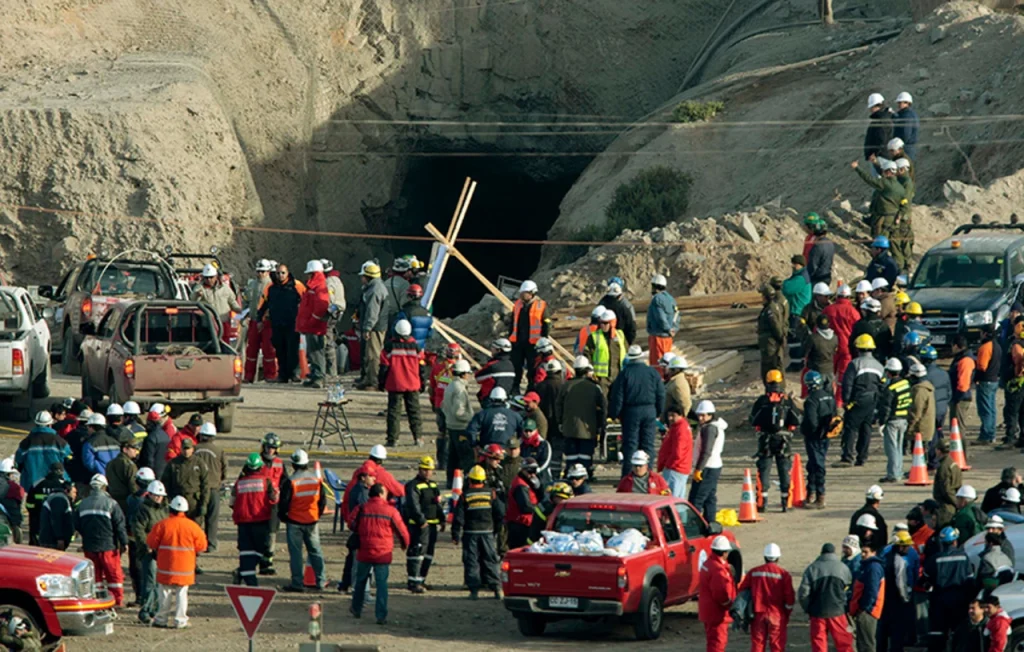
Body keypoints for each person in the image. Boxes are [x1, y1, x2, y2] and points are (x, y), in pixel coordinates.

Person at [348, 483, 409, 625]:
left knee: (361, 581)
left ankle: (356, 609)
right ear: (381, 494)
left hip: (364, 551)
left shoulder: (361, 508)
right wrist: (404, 543)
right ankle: (380, 615)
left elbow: (351, 523)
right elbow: (401, 530)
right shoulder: (390, 511)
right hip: (383, 553)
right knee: (382, 584)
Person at [147, 495, 207, 629]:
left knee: (164, 593)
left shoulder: (162, 525)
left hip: (166, 567)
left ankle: (161, 619)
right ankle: (180, 621)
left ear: (170, 509)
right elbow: (202, 546)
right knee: (182, 594)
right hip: (185, 568)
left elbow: (151, 542)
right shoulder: (193, 527)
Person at [609, 345, 665, 477]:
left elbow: (617, 396)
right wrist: (658, 412)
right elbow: (661, 394)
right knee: (648, 445)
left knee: (630, 446)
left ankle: (628, 477)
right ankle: (648, 476)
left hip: (631, 413)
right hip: (649, 410)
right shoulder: (652, 373)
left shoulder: (624, 374)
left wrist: (614, 414)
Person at [73, 474, 128, 606]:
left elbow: (76, 524)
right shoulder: (111, 504)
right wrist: (124, 542)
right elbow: (120, 525)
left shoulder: (82, 504)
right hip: (108, 546)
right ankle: (116, 600)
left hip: (90, 546)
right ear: (104, 487)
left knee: (94, 575)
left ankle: (96, 600)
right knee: (113, 575)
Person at [749, 370, 799, 511]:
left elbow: (753, 420)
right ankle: (785, 502)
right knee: (784, 471)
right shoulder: (788, 402)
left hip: (765, 441)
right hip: (783, 440)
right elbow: (795, 421)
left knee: (764, 470)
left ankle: (761, 502)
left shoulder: (761, 401)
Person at [452, 465, 504, 600]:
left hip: (470, 533)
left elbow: (458, 518)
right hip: (487, 532)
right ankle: (496, 589)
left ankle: (474, 591)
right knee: (490, 560)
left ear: (469, 480)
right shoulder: (491, 493)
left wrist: (455, 535)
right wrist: (496, 530)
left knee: (472, 561)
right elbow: (500, 513)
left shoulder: (465, 496)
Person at [278, 449, 327, 592]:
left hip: (294, 522)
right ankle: (321, 581)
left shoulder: (291, 481)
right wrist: (316, 515)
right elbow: (322, 501)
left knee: (296, 554)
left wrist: (284, 517)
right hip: (312, 521)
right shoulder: (316, 480)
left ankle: (297, 583)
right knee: (316, 551)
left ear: (293, 464)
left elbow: (284, 503)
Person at [835, 334, 884, 467]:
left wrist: (845, 400)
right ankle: (862, 457)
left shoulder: (855, 364)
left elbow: (847, 384)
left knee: (850, 428)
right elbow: (882, 385)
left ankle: (847, 457)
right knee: (866, 428)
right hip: (872, 400)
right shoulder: (879, 366)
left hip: (857, 400)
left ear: (858, 348)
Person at [923, 526, 975, 652]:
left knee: (938, 632)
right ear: (955, 541)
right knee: (959, 631)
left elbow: (926, 579)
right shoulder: (964, 558)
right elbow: (970, 580)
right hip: (959, 599)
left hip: (939, 600)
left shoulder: (935, 559)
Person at [231, 453, 279, 586]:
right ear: (259, 467)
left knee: (246, 552)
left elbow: (232, 502)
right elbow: (274, 499)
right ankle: (251, 582)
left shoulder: (239, 482)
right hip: (260, 521)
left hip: (243, 522)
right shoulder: (266, 480)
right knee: (260, 551)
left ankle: (242, 572)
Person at [738, 543, 794, 652]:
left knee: (758, 644)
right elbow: (789, 598)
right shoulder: (784, 574)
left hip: (758, 613)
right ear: (778, 558)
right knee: (777, 645)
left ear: (764, 557)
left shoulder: (754, 572)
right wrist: (786, 613)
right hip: (777, 614)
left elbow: (742, 591)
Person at [556, 357, 607, 478]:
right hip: (588, 429)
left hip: (569, 427)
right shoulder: (594, 387)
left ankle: (570, 474)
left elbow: (558, 405)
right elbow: (603, 408)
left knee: (571, 455)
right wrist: (601, 425)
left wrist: (560, 422)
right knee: (585, 454)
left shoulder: (566, 386)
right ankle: (585, 474)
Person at [799, 542, 854, 652]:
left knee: (819, 645)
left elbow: (803, 593)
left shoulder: (812, 568)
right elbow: (849, 589)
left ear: (822, 553)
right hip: (838, 612)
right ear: (833, 553)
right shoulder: (843, 567)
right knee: (844, 644)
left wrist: (808, 608)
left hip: (817, 613)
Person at [380, 319, 425, 446]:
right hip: (412, 384)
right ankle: (418, 437)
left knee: (394, 412)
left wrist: (381, 383)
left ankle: (392, 439)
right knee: (414, 411)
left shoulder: (389, 347)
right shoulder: (416, 347)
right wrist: (422, 383)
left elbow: (384, 367)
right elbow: (422, 367)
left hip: (395, 384)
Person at [401, 456, 441, 594]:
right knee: (417, 553)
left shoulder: (434, 485)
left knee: (429, 554)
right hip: (419, 527)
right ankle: (413, 582)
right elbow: (413, 505)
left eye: (430, 470)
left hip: (432, 525)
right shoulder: (413, 485)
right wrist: (421, 520)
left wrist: (441, 518)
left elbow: (437, 504)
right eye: (425, 470)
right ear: (420, 469)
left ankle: (421, 580)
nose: (428, 473)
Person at [131, 479, 168, 624]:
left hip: (161, 551)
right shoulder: (143, 509)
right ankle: (145, 611)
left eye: (160, 495)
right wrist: (147, 545)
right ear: (150, 494)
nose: (158, 498)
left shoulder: (164, 510)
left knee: (159, 583)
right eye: (155, 495)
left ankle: (155, 609)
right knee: (150, 582)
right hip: (148, 552)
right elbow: (138, 529)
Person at [15, 411, 70, 504]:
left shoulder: (26, 442)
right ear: (50, 425)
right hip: (57, 485)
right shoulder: (60, 442)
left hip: (33, 485)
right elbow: (69, 460)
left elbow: (18, 462)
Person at [878, 531, 919, 652]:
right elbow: (901, 584)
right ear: (900, 546)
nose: (908, 548)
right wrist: (906, 599)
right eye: (906, 546)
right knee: (897, 630)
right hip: (896, 601)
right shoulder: (899, 561)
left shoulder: (884, 557)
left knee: (883, 630)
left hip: (884, 599)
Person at [801, 371, 836, 509]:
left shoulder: (811, 400)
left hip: (814, 437)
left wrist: (807, 431)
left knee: (817, 465)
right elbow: (833, 415)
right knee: (813, 464)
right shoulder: (829, 397)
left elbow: (811, 420)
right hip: (826, 435)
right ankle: (811, 493)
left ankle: (819, 496)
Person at [508, 280, 550, 390]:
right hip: (518, 342)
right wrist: (511, 337)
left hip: (533, 344)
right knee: (516, 366)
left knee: (532, 368)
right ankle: (515, 387)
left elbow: (546, 324)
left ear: (532, 293)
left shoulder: (541, 305)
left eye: (524, 293)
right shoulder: (518, 304)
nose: (522, 296)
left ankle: (531, 388)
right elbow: (512, 322)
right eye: (521, 293)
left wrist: (544, 339)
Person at [295, 260, 331, 388]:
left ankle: (319, 377)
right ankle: (315, 375)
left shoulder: (319, 286)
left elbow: (321, 306)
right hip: (311, 326)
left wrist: (311, 321)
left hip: (315, 327)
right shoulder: (315, 286)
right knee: (313, 352)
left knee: (316, 352)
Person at [689, 400, 726, 522]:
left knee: (696, 500)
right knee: (709, 498)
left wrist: (699, 469)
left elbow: (706, 451)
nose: (700, 418)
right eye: (699, 415)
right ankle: (710, 522)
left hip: (707, 467)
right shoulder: (714, 427)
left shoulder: (709, 429)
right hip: (713, 466)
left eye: (703, 415)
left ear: (711, 415)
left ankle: (694, 525)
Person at [160, 439, 209, 530]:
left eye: (188, 448)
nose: (186, 451)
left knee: (194, 529)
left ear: (192, 449)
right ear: (180, 449)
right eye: (184, 449)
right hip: (177, 500)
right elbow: (165, 483)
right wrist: (168, 500)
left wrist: (204, 504)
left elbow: (205, 485)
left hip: (194, 502)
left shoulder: (199, 463)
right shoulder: (173, 464)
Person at [243, 259, 278, 383]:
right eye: (258, 271)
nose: (260, 274)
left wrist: (264, 319)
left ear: (268, 272)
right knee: (251, 351)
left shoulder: (272, 285)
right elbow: (247, 301)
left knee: (269, 351)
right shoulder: (252, 284)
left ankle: (271, 376)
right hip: (253, 321)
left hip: (267, 323)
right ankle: (248, 376)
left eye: (263, 271)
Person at [699, 535, 736, 652]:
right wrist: (730, 606)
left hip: (708, 611)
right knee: (718, 643)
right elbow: (721, 594)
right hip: (717, 614)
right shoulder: (718, 571)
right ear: (724, 552)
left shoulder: (708, 564)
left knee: (712, 642)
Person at [441, 359, 475, 484]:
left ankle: (451, 481)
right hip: (460, 427)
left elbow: (443, 405)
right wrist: (472, 418)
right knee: (466, 457)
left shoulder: (450, 385)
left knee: (453, 457)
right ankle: (468, 482)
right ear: (463, 373)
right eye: (468, 373)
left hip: (451, 425)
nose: (469, 376)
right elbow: (459, 412)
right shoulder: (460, 389)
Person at [878, 358, 912, 483]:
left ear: (888, 372)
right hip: (903, 419)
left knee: (891, 448)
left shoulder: (890, 389)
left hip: (892, 421)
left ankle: (893, 474)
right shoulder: (905, 383)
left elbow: (886, 407)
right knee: (898, 447)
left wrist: (882, 422)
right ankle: (898, 471)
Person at [355, 261, 387, 390]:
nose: (361, 278)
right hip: (376, 326)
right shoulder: (375, 287)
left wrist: (367, 328)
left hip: (375, 328)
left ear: (368, 277)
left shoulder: (374, 291)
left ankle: (373, 382)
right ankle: (368, 379)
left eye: (363, 276)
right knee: (369, 354)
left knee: (373, 355)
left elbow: (372, 312)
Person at [193, 422, 225, 551]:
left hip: (197, 489)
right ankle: (211, 544)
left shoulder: (194, 449)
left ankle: (196, 543)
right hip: (213, 488)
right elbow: (224, 470)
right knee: (212, 518)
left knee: (197, 517)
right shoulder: (219, 451)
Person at [430, 343, 462, 471]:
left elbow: (432, 388)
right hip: (453, 406)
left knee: (441, 433)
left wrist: (433, 403)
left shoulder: (437, 367)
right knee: (453, 434)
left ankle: (442, 462)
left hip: (439, 404)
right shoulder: (460, 369)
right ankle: (451, 462)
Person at [191, 263, 242, 343]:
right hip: (209, 325)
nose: (209, 280)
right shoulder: (200, 288)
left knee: (225, 344)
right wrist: (197, 295)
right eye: (206, 278)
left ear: (216, 276)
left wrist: (239, 310)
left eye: (211, 277)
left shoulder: (225, 288)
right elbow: (193, 301)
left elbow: (232, 302)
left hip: (224, 322)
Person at [849, 542, 885, 652]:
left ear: (874, 553)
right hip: (866, 610)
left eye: (866, 552)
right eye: (862, 552)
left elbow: (872, 591)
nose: (863, 554)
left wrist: (865, 609)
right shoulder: (868, 566)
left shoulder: (873, 567)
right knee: (863, 642)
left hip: (868, 612)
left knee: (867, 644)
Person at [25, 459, 69, 546]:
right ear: (62, 472)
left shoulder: (37, 484)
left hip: (37, 522)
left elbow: (29, 504)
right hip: (57, 524)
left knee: (35, 550)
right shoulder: (65, 485)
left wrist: (35, 514)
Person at [536, 359, 567, 474]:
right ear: (559, 372)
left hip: (543, 426)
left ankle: (545, 473)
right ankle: (555, 475)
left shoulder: (539, 387)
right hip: (558, 426)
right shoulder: (564, 387)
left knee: (544, 452)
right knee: (557, 454)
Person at [585, 307, 626, 389]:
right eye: (601, 323)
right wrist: (589, 370)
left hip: (618, 376)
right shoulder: (594, 337)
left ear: (612, 323)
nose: (603, 325)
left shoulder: (620, 335)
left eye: (605, 323)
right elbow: (587, 354)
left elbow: (626, 353)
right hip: (601, 378)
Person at [657, 406, 693, 498]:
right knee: (678, 500)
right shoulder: (679, 426)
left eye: (673, 416)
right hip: (679, 468)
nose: (670, 418)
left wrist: (668, 465)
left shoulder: (680, 429)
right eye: (669, 415)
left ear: (681, 415)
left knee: (670, 499)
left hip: (675, 469)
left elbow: (678, 452)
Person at [505, 458, 541, 549]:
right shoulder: (520, 486)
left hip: (525, 522)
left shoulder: (526, 482)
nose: (532, 474)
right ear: (523, 470)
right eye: (530, 471)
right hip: (520, 524)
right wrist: (540, 509)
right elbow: (525, 507)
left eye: (534, 470)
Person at [974, 326, 1001, 444]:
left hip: (985, 381)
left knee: (985, 409)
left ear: (985, 334)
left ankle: (986, 435)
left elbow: (982, 366)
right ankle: (991, 434)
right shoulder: (997, 346)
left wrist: (976, 375)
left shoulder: (985, 347)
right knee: (991, 409)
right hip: (994, 380)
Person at [647, 274, 678, 369]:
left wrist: (668, 329)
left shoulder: (656, 299)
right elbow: (677, 315)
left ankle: (659, 382)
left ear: (654, 286)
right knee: (666, 362)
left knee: (657, 365)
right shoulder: (671, 299)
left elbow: (660, 318)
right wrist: (674, 329)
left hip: (658, 338)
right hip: (668, 338)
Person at [757, 284, 788, 381]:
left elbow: (776, 326)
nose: (761, 297)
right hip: (768, 343)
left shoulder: (771, 309)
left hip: (771, 344)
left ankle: (776, 390)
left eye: (762, 295)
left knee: (772, 366)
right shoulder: (768, 308)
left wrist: (781, 339)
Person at [38, 479, 76, 551]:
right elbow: (56, 519)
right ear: (67, 490)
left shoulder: (59, 498)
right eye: (74, 492)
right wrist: (60, 538)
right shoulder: (59, 498)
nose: (75, 494)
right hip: (52, 541)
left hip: (52, 540)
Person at [949, 334, 976, 433]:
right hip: (959, 397)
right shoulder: (961, 358)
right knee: (955, 427)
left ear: (956, 346)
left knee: (958, 429)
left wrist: (957, 398)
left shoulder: (965, 360)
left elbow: (963, 383)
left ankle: (961, 448)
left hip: (960, 399)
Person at [474, 338, 515, 404]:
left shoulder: (492, 365)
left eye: (493, 348)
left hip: (490, 399)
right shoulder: (511, 365)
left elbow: (478, 378)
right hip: (506, 399)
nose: (491, 350)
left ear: (498, 350)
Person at [850, 298, 890, 362]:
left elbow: (852, 343)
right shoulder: (884, 325)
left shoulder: (860, 324)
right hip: (880, 360)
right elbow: (888, 345)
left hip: (862, 359)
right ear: (879, 312)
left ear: (866, 310)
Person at [599, 280, 637, 347]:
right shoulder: (625, 308)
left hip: (602, 343)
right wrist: (627, 343)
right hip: (621, 343)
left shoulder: (601, 306)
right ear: (619, 295)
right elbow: (632, 328)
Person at [82, 413, 120, 477]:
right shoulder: (115, 442)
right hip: (116, 476)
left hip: (101, 477)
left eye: (88, 427)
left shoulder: (89, 443)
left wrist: (101, 472)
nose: (87, 429)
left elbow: (89, 463)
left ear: (92, 427)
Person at [140, 404, 172, 479]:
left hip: (153, 475)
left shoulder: (151, 437)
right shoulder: (165, 434)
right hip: (164, 474)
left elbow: (148, 460)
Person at [864, 92, 894, 166]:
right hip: (883, 155)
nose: (870, 110)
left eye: (871, 107)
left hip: (881, 157)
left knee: (879, 176)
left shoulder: (881, 120)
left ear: (876, 106)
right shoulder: (884, 117)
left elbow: (882, 139)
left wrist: (875, 154)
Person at [663, 356, 692, 421]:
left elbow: (685, 405)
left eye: (670, 369)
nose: (668, 370)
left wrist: (679, 421)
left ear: (675, 370)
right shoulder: (675, 381)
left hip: (672, 421)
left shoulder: (678, 384)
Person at [892, 92, 919, 160]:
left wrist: (898, 146)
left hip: (905, 148)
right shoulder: (908, 114)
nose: (899, 105)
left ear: (907, 103)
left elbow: (905, 134)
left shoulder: (907, 116)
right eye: (898, 102)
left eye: (900, 102)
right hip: (908, 148)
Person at [807, 220, 835, 285]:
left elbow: (812, 266)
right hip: (827, 276)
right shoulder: (830, 243)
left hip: (817, 279)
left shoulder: (817, 247)